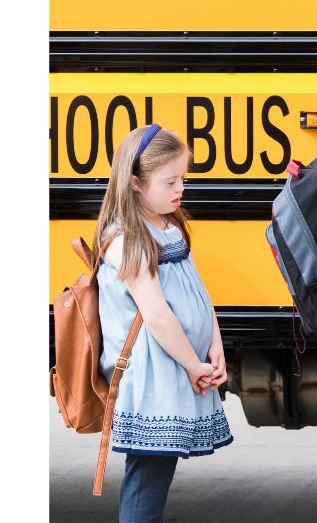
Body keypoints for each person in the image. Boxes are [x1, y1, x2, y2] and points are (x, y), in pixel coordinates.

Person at [93, 124, 231, 522]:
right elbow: (156, 313)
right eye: (170, 181)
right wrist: (193, 364)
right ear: (135, 183)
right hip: (153, 377)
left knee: (157, 472)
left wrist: (214, 345)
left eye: (182, 178)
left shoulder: (167, 226)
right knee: (147, 479)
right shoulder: (127, 238)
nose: (180, 188)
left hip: (176, 369)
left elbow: (198, 294)